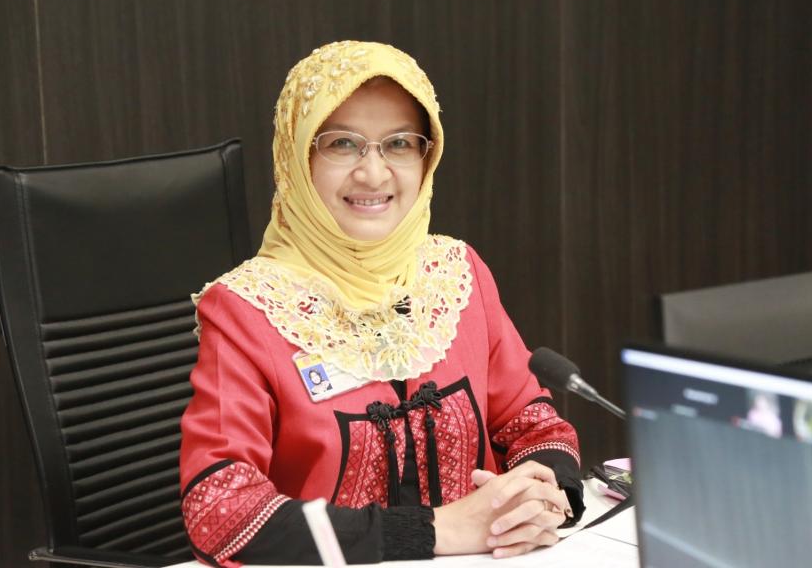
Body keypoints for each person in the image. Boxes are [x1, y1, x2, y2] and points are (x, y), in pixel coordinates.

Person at [180, 41, 585, 567]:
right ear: (297, 157)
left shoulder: (457, 274)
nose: (373, 174)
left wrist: (540, 499)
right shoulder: (245, 310)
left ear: (427, 157)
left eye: (398, 144)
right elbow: (220, 511)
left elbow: (533, 424)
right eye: (342, 144)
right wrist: (434, 530)